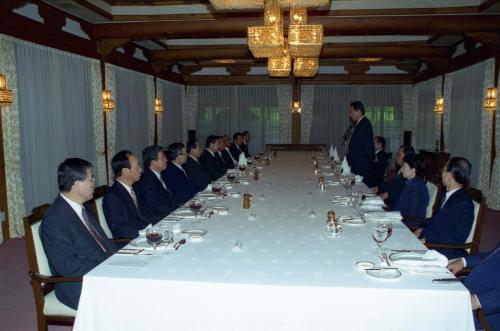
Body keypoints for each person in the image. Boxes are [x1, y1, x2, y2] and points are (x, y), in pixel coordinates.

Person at [40, 158, 116, 310]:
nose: (94, 182)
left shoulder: (84, 207)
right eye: (90, 179)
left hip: (101, 270)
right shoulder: (54, 220)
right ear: (76, 184)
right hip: (78, 284)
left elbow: (102, 241)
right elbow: (66, 266)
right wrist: (108, 266)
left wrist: (121, 259)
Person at [415, 157, 474, 259]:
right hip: (432, 243)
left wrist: (427, 239)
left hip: (444, 250)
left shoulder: (464, 204)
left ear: (450, 176)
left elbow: (457, 238)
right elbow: (436, 220)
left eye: (443, 170)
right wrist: (421, 229)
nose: (441, 173)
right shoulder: (446, 195)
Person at [448, 242, 500, 330]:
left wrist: (479, 300)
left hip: (484, 315)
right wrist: (463, 262)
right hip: (470, 288)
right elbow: (489, 256)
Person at [103, 150, 149, 240]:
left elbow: (143, 215)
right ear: (125, 171)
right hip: (130, 241)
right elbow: (119, 228)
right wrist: (144, 234)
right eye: (137, 166)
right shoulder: (112, 196)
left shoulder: (135, 188)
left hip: (145, 232)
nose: (140, 169)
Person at [134, 145, 178, 224]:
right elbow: (157, 206)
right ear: (152, 161)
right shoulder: (146, 181)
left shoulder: (160, 174)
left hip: (169, 215)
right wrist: (177, 213)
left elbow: (170, 197)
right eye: (163, 157)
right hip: (157, 221)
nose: (166, 160)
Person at [346, 101, 375, 184]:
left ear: (358, 112)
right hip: (358, 166)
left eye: (351, 112)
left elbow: (368, 148)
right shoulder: (361, 124)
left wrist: (364, 170)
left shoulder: (365, 125)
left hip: (362, 168)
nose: (350, 115)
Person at [392, 154, 429, 218]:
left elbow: (412, 215)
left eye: (404, 167)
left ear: (413, 170)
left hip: (408, 224)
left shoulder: (416, 188)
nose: (401, 169)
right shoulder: (411, 183)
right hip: (400, 218)